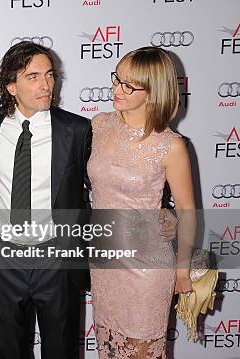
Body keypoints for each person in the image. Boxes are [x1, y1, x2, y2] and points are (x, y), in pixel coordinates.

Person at [0, 41, 92, 359]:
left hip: (56, 263)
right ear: (11, 86)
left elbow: (105, 186)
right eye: (32, 76)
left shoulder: (77, 130)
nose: (45, 85)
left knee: (61, 351)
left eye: (49, 75)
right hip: (3, 263)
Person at [87, 46, 195, 358]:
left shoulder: (170, 146)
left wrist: (184, 270)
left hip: (146, 267)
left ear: (154, 91)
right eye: (116, 79)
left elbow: (187, 211)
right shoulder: (99, 125)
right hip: (105, 259)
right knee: (107, 349)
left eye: (129, 86)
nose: (116, 89)